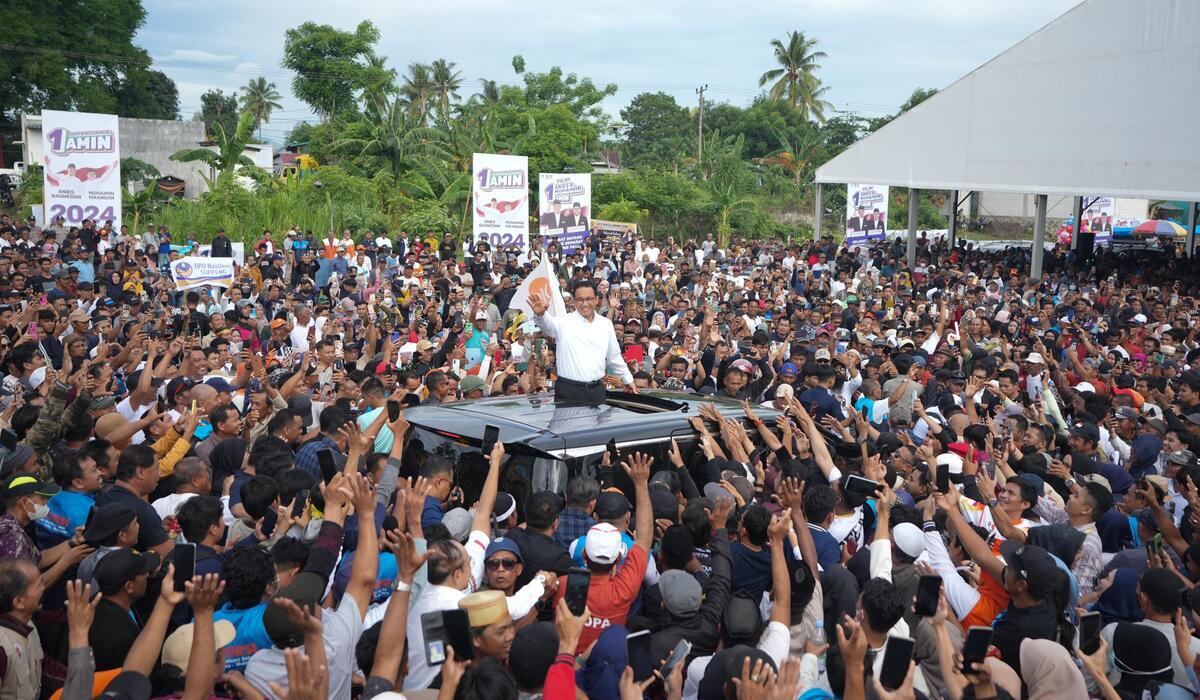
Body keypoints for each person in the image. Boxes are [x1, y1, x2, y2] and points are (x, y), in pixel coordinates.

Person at [529, 280, 636, 404]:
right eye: (580, 299)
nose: (585, 303)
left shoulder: (605, 324)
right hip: (569, 391)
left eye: (589, 299)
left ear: (596, 300)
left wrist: (628, 380)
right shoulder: (562, 322)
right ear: (574, 301)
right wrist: (541, 314)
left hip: (597, 390)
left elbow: (614, 357)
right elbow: (547, 325)